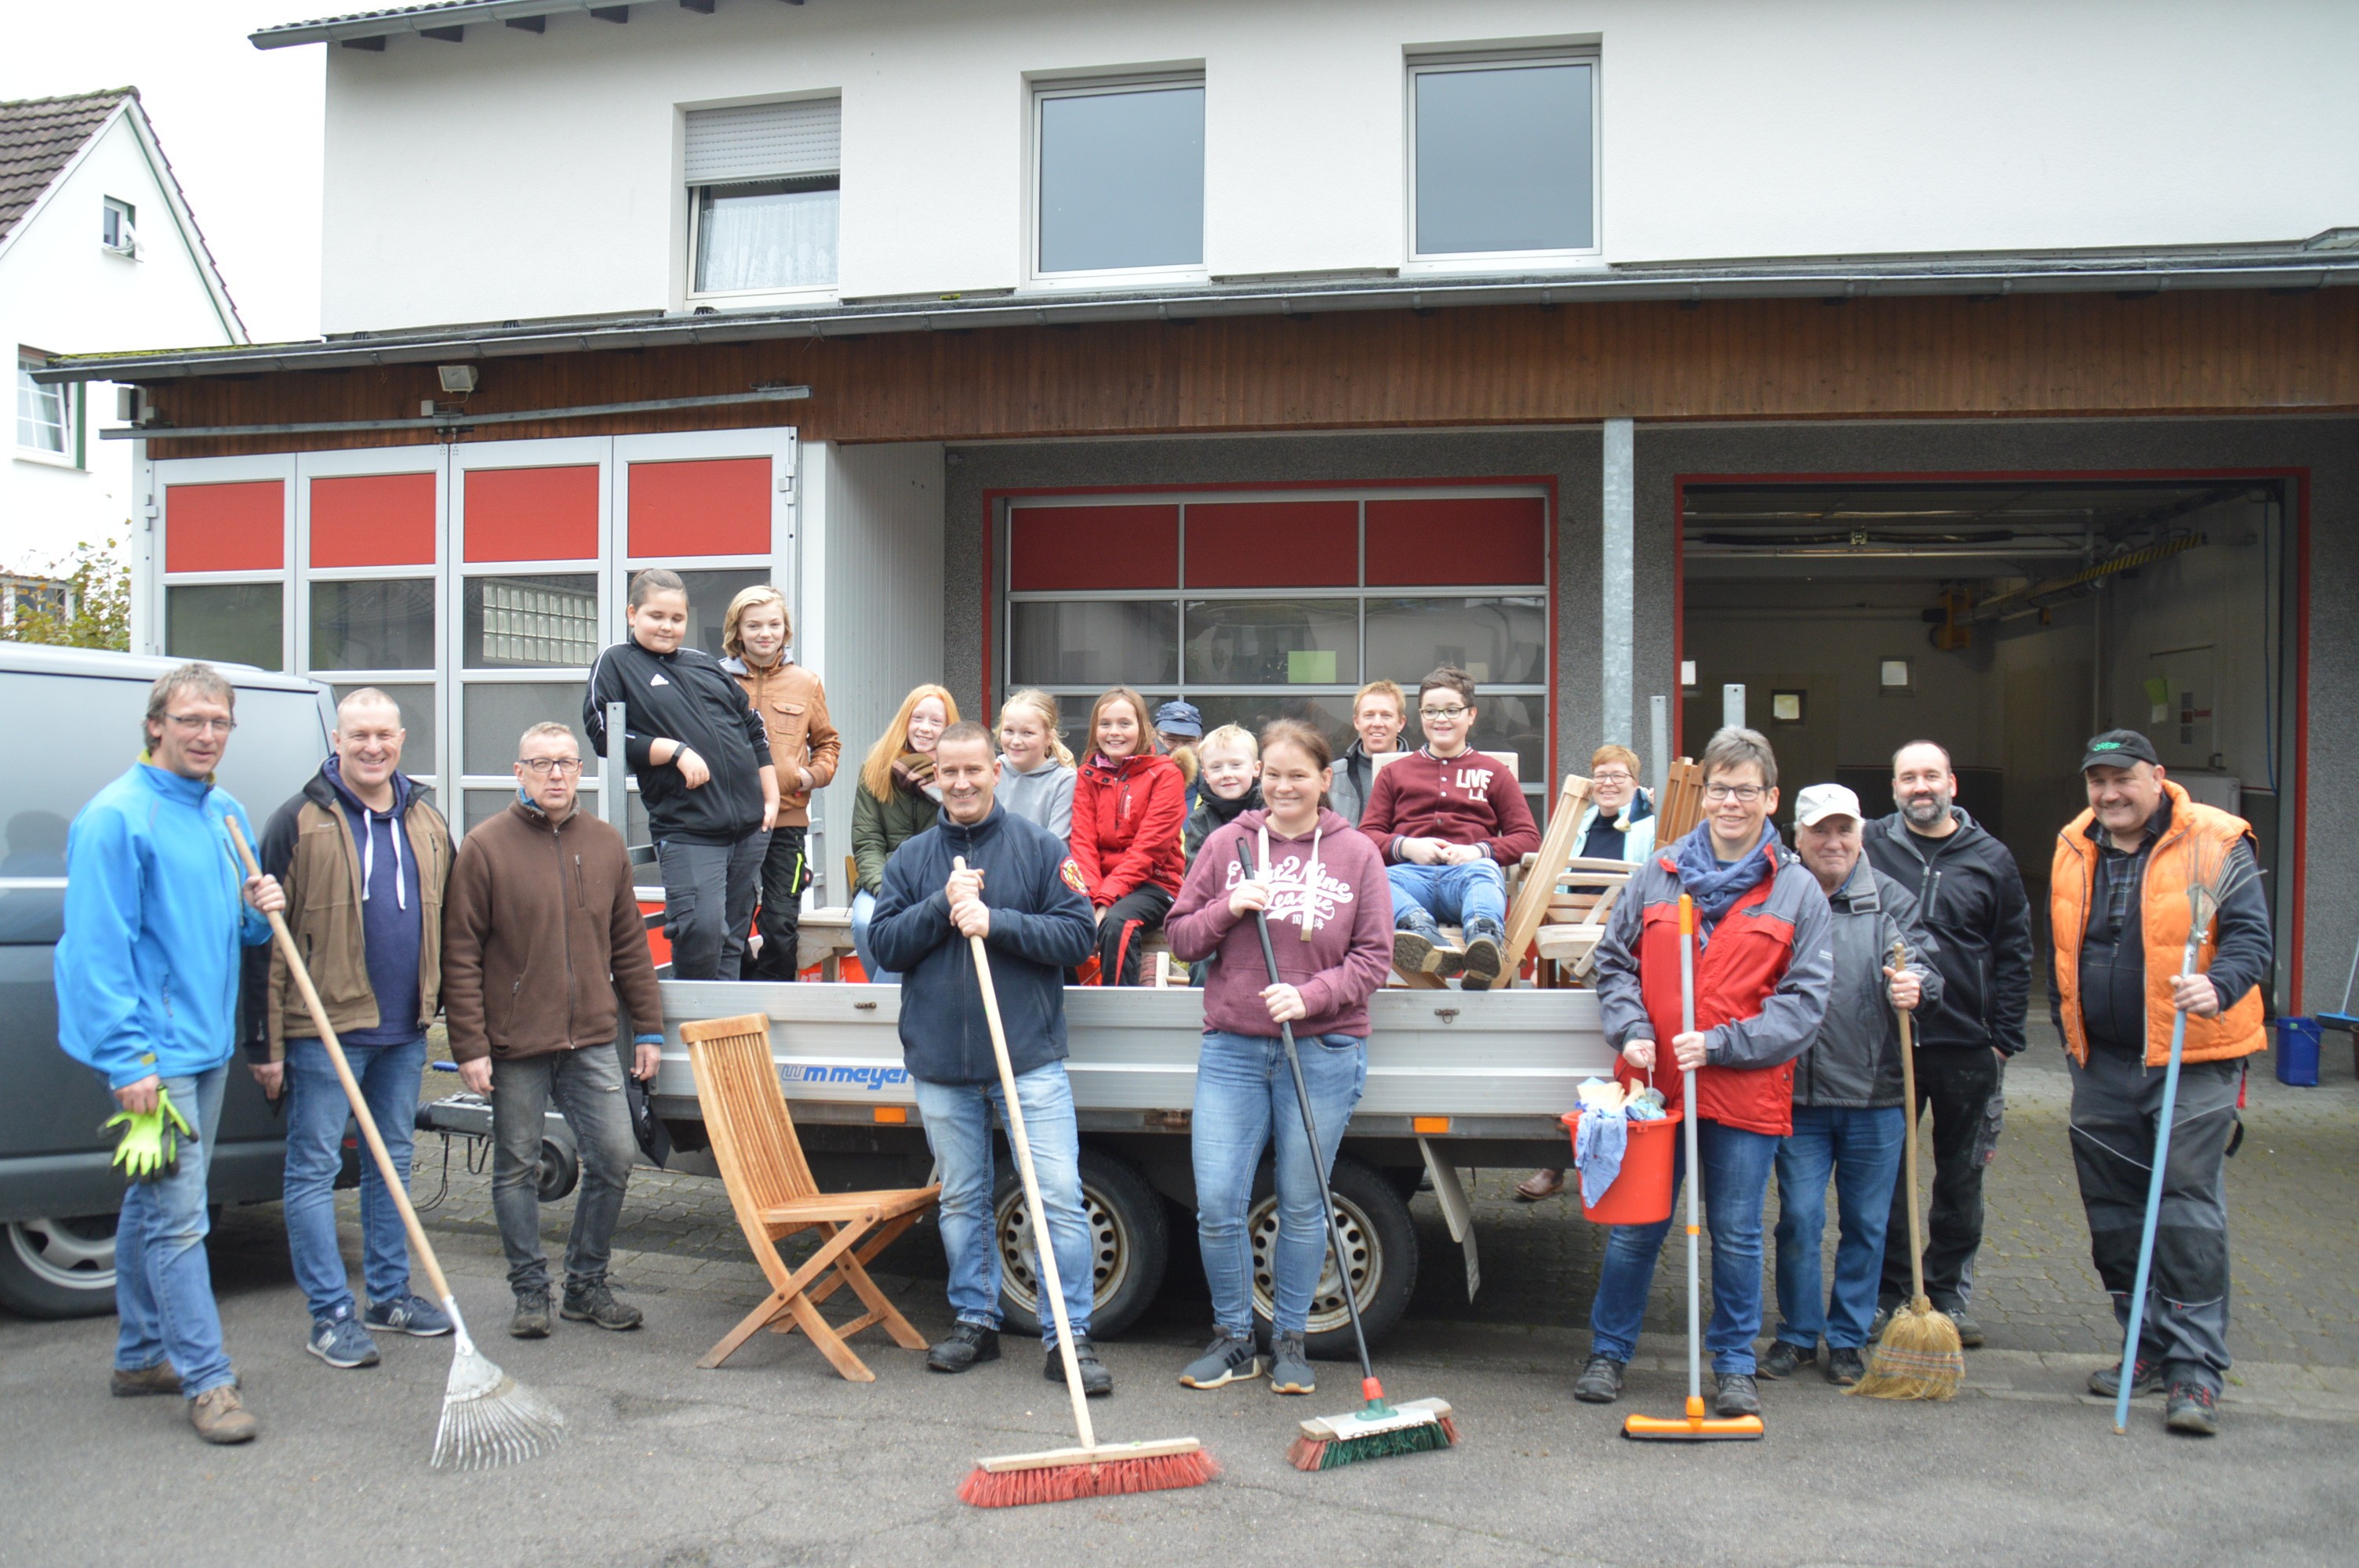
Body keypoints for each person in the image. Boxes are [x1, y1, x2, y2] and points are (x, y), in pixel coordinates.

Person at [1572, 726, 1834, 1421]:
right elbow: (1613, 962)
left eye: (1746, 790)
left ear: (1770, 797)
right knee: (1638, 1227)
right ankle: (1608, 1352)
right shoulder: (1660, 872)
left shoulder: (1797, 891)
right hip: (1655, 1090)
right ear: (1703, 795)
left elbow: (1804, 1005)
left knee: (1738, 1232)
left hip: (1743, 1091)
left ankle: (1735, 1366)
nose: (1731, 802)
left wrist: (1720, 1045)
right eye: (1719, 788)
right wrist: (1631, 1030)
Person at [55, 662, 285, 1444]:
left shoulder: (224, 811)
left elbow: (237, 933)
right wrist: (128, 1061)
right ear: (156, 723)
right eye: (190, 719)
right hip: (155, 1053)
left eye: (218, 721)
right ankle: (206, 1376)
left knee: (151, 1200)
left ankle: (140, 1354)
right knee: (182, 1218)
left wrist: (261, 910)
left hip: (207, 1043)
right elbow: (95, 951)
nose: (205, 733)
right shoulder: (116, 818)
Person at [864, 721, 1106, 1392]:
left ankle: (1071, 1337)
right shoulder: (912, 859)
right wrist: (942, 907)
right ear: (934, 776)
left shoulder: (1039, 848)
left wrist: (995, 921)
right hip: (941, 1063)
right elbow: (884, 946)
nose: (962, 783)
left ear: (996, 771)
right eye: (949, 773)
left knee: (1056, 1197)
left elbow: (1078, 933)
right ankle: (976, 1320)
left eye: (974, 770)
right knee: (963, 1199)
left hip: (1027, 1058)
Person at [2051, 729, 2270, 1437]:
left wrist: (2220, 985)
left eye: (2124, 780)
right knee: (2113, 1216)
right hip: (2103, 1064)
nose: (2110, 794)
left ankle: (2196, 1372)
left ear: (2158, 777)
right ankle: (2142, 1347)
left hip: (2192, 1056)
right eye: (2098, 781)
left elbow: (2250, 939)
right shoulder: (2073, 844)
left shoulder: (2217, 838)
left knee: (2184, 1213)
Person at [1165, 721, 1393, 1396]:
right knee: (1217, 1203)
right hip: (1233, 1047)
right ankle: (1235, 1339)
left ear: (1326, 781)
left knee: (1301, 1203)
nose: (1283, 786)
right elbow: (1180, 937)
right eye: (1273, 774)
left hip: (1322, 1050)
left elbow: (1375, 958)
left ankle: (1290, 1341)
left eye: (1298, 775)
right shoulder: (1227, 844)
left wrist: (1312, 995)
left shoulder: (1357, 854)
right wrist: (1228, 909)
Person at [250, 688, 454, 1370]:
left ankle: (388, 1296)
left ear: (401, 740)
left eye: (384, 735)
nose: (373, 747)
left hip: (403, 1030)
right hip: (323, 1030)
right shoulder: (299, 820)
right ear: (337, 740)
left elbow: (448, 920)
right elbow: (263, 939)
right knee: (312, 1169)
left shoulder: (426, 818)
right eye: (358, 735)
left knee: (392, 1164)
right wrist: (267, 1043)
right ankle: (329, 1314)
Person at [443, 722, 667, 1339]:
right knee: (516, 1168)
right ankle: (529, 1291)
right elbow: (459, 954)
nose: (556, 774)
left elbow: (630, 946)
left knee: (615, 1156)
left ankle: (586, 1284)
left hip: (592, 1038)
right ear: (519, 772)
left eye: (566, 763)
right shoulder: (484, 848)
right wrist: (470, 1046)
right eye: (541, 764)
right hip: (516, 1044)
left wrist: (647, 1027)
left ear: (581, 771)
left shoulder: (604, 844)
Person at [1763, 784, 1938, 1388]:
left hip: (1877, 1097)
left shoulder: (1891, 901)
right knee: (1800, 1220)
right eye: (1820, 831)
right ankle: (1794, 1334)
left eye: (1844, 830)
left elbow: (1926, 963)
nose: (1833, 842)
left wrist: (1918, 984)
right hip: (1799, 1098)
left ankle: (1847, 1338)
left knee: (1867, 1225)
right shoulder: (1778, 894)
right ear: (1798, 836)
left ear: (1861, 835)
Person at [1863, 739, 2033, 1348]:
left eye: (1931, 775)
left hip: (1967, 1045)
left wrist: (2003, 1043)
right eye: (1908, 777)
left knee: (1960, 1181)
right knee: (1887, 1175)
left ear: (1953, 784)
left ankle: (1949, 1293)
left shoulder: (1992, 858)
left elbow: (2015, 952)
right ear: (1894, 787)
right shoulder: (1868, 844)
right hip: (1890, 1043)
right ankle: (1894, 1295)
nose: (1920, 787)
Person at [586, 568, 778, 981]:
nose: (667, 627)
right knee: (701, 931)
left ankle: (717, 1032)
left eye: (677, 619)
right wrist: (673, 751)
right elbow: (605, 734)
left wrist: (772, 798)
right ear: (632, 613)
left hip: (748, 830)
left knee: (732, 938)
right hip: (690, 830)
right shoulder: (617, 663)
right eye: (657, 616)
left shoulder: (704, 665)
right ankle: (688, 1027)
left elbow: (753, 728)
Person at [1517, 743, 1660, 1200]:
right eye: (1601, 775)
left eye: (1619, 776)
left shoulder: (1647, 826)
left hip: (1622, 940)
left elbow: (1650, 880)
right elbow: (1556, 877)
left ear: (1636, 784)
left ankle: (1618, 1158)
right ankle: (1556, 1157)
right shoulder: (1578, 825)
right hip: (1572, 929)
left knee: (1611, 1053)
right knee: (1555, 1050)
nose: (1609, 783)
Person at [1358, 665, 1540, 990]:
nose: (1440, 719)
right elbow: (1366, 836)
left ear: (1471, 715)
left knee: (1486, 872)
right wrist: (1406, 846)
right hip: (1410, 878)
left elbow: (1528, 838)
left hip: (1467, 879)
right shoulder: (1395, 773)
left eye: (1451, 710)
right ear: (1419, 716)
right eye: (1431, 711)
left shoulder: (1494, 773)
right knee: (1378, 880)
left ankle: (1483, 944)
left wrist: (1479, 850)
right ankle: (1425, 937)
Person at [720, 584, 841, 982]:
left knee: (780, 922)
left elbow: (827, 742)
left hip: (788, 823)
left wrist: (810, 775)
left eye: (773, 624)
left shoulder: (806, 682)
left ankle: (776, 1006)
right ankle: (741, 997)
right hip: (730, 823)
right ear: (737, 630)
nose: (764, 633)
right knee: (729, 920)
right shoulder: (715, 680)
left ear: (785, 629)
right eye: (753, 625)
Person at [1070, 685, 1188, 986]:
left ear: (1143, 728)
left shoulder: (1165, 774)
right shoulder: (1087, 774)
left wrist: (1105, 903)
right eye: (1105, 724)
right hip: (1098, 888)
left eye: (1125, 724)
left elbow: (1149, 850)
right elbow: (1083, 844)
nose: (1115, 732)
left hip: (1155, 883)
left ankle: (1119, 1009)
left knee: (1117, 924)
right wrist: (1093, 900)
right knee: (1063, 920)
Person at [850, 684, 957, 983]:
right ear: (904, 721)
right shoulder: (875, 769)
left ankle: (886, 1006)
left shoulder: (956, 773)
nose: (925, 728)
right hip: (883, 880)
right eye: (917, 718)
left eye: (936, 722)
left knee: (917, 928)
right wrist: (885, 890)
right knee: (864, 922)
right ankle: (892, 999)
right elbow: (867, 841)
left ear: (949, 727)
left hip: (936, 883)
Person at [994, 688, 1077, 840]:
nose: (1016, 741)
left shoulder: (1064, 780)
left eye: (1028, 733)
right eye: (1009, 731)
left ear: (1049, 737)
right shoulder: (992, 771)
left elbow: (1056, 844)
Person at [1327, 679, 1406, 826]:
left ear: (1401, 723)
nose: (1377, 723)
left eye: (1386, 715)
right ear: (1357, 722)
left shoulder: (1422, 773)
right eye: (1369, 715)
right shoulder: (1331, 776)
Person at [1183, 722, 1263, 860]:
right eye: (1216, 767)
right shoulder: (1201, 821)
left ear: (1256, 769)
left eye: (1236, 765)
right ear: (1206, 776)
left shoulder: (1270, 810)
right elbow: (1195, 875)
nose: (1226, 774)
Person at [1154, 699, 1205, 815]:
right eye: (1171, 739)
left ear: (1200, 741)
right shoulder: (1137, 788)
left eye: (1189, 741)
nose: (1180, 748)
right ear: (1154, 737)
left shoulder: (1215, 792)